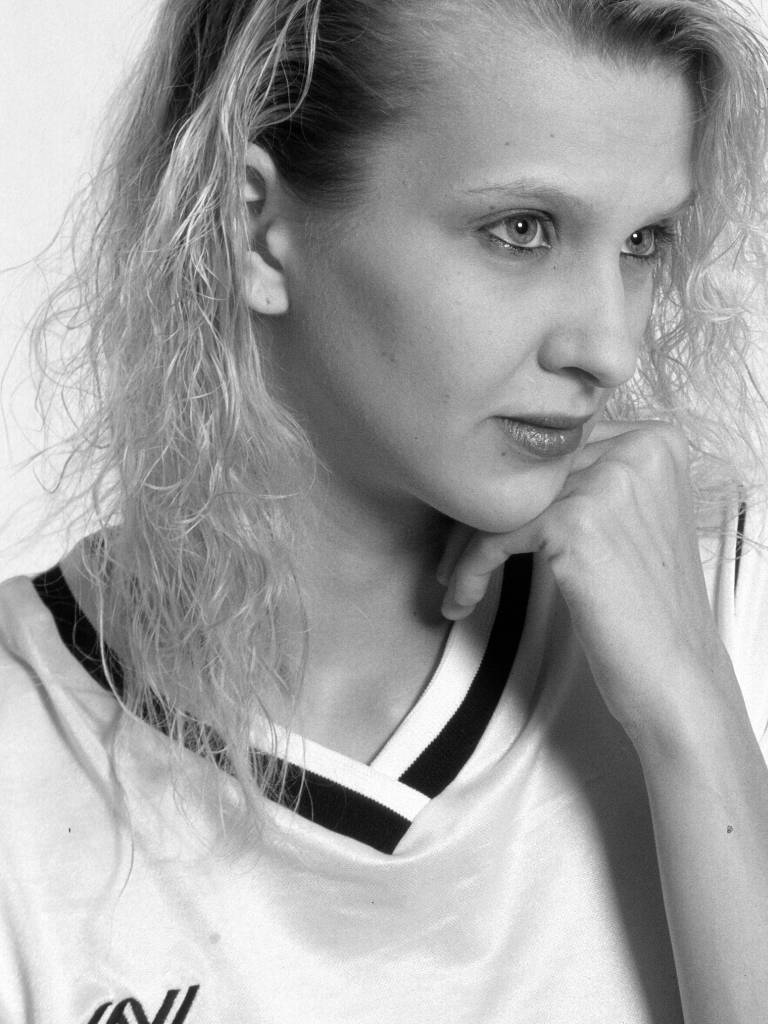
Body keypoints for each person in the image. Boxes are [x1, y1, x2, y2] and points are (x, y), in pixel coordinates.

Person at [1, 0, 768, 1020]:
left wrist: (691, 713)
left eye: (643, 241)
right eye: (522, 231)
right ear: (256, 229)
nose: (609, 348)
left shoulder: (730, 603)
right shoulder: (23, 755)